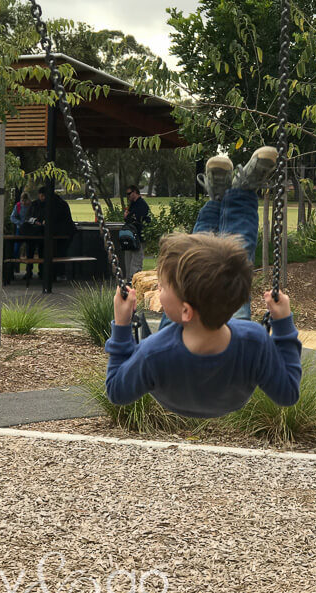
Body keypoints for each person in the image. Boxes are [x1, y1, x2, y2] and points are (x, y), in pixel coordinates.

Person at [104, 147, 302, 420]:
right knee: (224, 262)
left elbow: (116, 390)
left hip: (175, 370)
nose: (158, 291)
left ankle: (219, 197)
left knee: (218, 257)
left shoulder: (155, 353)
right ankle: (241, 193)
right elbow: (288, 393)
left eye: (162, 287)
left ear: (185, 311)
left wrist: (123, 325)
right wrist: (283, 325)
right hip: (231, 374)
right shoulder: (254, 342)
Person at [123, 185, 150, 279]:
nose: (128, 196)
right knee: (128, 259)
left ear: (135, 192)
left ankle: (134, 279)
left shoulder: (142, 204)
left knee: (136, 260)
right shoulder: (132, 205)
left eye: (129, 194)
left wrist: (129, 216)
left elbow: (137, 219)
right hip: (130, 236)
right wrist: (127, 216)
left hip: (138, 236)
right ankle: (129, 279)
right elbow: (129, 219)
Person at [10, 191, 32, 261]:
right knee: (16, 248)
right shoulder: (18, 206)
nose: (24, 203)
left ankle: (29, 268)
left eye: (26, 201)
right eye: (23, 201)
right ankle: (15, 265)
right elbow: (12, 217)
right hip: (20, 229)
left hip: (30, 229)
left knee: (30, 249)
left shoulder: (32, 206)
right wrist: (19, 222)